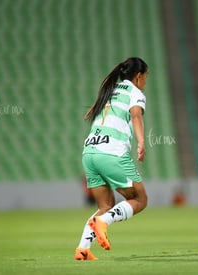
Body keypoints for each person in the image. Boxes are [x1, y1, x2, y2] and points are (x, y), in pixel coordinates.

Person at [74, 57, 149, 260]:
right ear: (139, 76)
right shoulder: (135, 92)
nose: (145, 82)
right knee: (140, 199)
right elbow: (136, 115)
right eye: (146, 77)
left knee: (105, 205)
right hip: (112, 153)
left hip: (89, 153)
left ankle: (82, 249)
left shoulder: (109, 92)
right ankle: (103, 222)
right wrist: (141, 142)